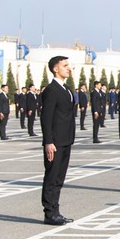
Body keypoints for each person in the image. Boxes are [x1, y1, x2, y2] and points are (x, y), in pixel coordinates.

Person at [40, 56, 77, 226]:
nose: (68, 68)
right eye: (65, 65)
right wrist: (48, 141)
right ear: (55, 69)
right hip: (55, 142)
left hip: (66, 139)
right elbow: (46, 118)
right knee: (52, 176)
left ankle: (56, 210)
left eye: (68, 65)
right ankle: (49, 213)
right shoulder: (51, 90)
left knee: (59, 178)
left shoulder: (66, 89)